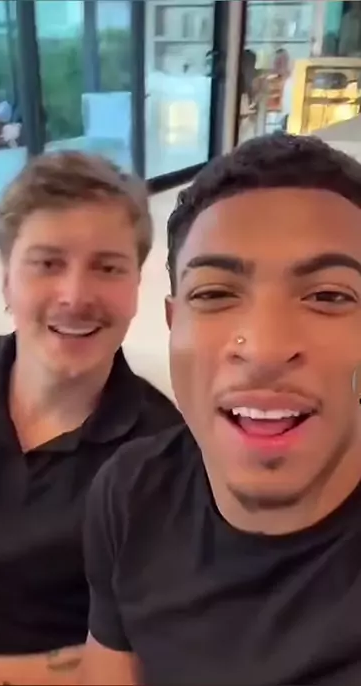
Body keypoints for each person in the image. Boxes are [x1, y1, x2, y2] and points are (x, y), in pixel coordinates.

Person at [0, 151, 180, 685]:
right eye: (47, 263)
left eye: (107, 267)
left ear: (137, 286)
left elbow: (141, 654)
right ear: (6, 282)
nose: (75, 296)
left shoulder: (163, 453)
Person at [81, 134, 361, 685]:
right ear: (172, 323)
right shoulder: (131, 493)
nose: (264, 349)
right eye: (213, 294)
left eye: (329, 296)